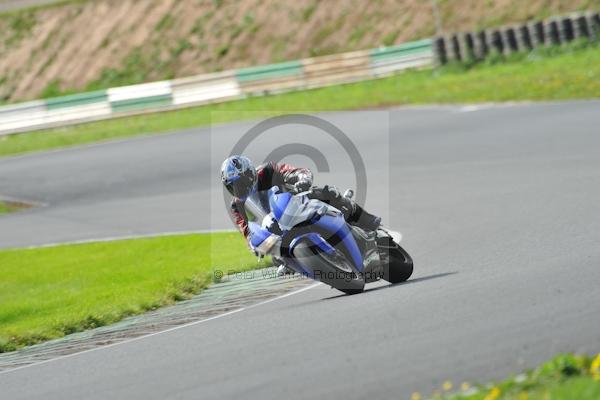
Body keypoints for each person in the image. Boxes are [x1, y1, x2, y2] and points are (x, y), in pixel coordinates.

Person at [221, 155, 381, 274]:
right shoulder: (237, 205)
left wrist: (302, 180)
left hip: (298, 204)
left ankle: (367, 221)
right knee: (276, 257)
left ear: (250, 174)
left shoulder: (267, 171)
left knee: (329, 193)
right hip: (276, 229)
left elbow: (294, 171)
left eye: (240, 183)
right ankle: (313, 266)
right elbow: (247, 230)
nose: (238, 188)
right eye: (232, 186)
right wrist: (253, 244)